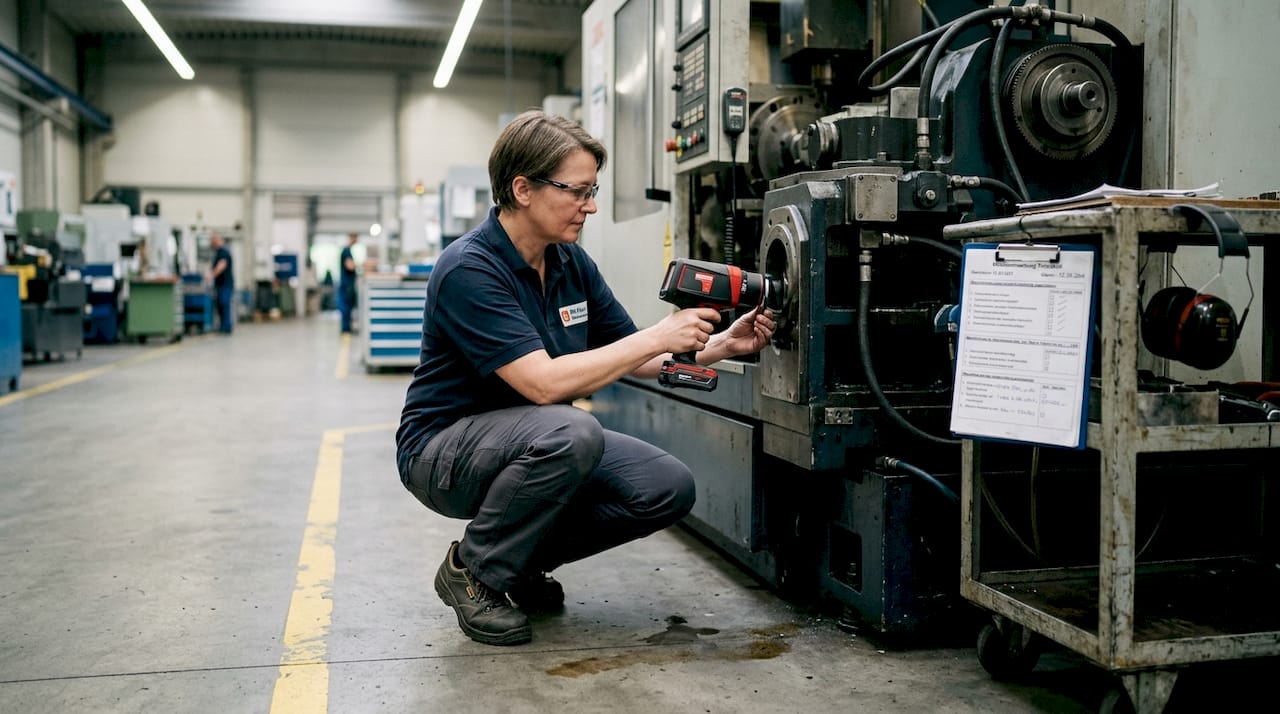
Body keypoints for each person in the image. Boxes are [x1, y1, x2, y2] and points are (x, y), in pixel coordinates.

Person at [395, 110, 775, 646]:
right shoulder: (470, 269)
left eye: (592, 190)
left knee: (665, 486)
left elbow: (632, 354)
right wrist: (657, 335)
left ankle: (516, 562)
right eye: (577, 191)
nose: (590, 206)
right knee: (573, 430)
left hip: (532, 440)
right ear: (522, 189)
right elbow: (544, 385)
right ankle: (474, 571)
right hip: (443, 452)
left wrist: (720, 346)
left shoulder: (570, 262)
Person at [208, 232, 234, 334]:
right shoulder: (218, 252)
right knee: (220, 305)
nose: (211, 243)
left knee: (224, 303)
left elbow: (221, 265)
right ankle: (223, 326)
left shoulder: (223, 252)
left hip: (225, 284)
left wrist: (212, 275)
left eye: (212, 241)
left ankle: (226, 327)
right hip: (220, 284)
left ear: (217, 240)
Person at [338, 232, 359, 333]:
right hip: (347, 284)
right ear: (351, 238)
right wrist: (361, 265)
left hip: (348, 283)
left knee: (348, 307)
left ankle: (347, 327)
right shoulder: (346, 251)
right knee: (346, 307)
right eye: (355, 238)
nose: (356, 241)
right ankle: (346, 329)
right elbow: (349, 266)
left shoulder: (348, 251)